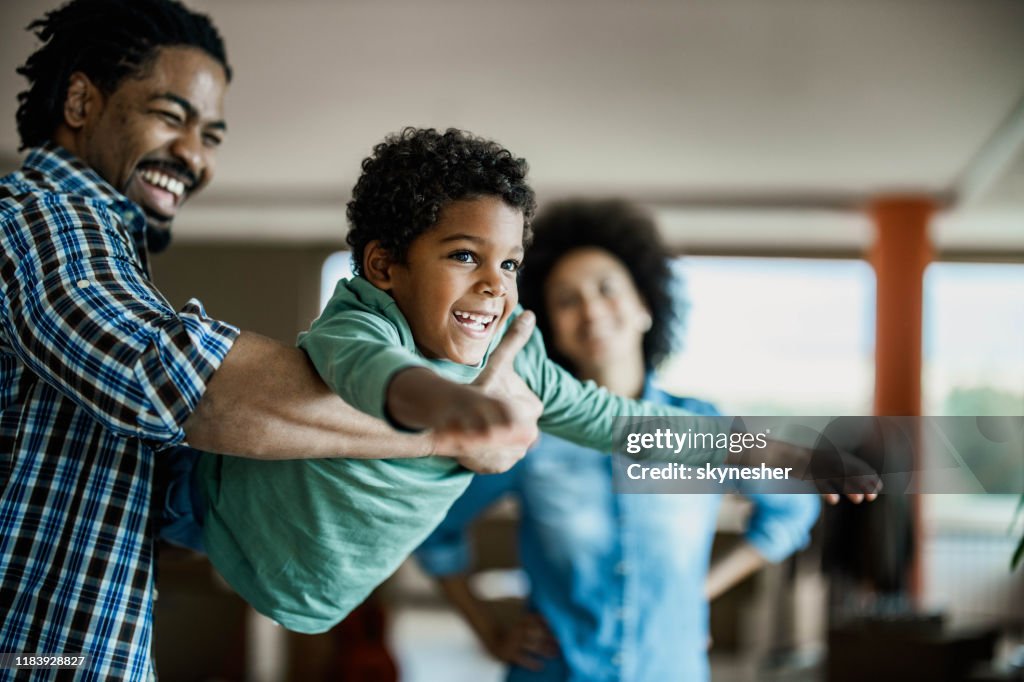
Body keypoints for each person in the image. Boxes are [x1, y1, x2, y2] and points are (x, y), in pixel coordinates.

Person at [0, 2, 540, 678]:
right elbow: (174, 383)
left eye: (212, 135)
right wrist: (453, 428)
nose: (196, 155)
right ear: (81, 100)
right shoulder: (44, 217)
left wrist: (713, 451)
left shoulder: (581, 400)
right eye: (171, 117)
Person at [189, 127, 763, 636]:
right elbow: (374, 371)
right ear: (385, 267)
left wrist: (766, 452)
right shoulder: (362, 321)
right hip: (216, 518)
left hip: (316, 593)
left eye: (510, 264)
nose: (496, 285)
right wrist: (448, 406)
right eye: (466, 256)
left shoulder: (513, 348)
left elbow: (607, 419)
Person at [416, 199, 823, 682]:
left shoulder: (700, 425)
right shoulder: (529, 431)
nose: (589, 309)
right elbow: (436, 528)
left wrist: (693, 593)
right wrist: (488, 631)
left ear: (645, 306)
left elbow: (792, 509)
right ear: (551, 330)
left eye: (607, 289)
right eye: (567, 300)